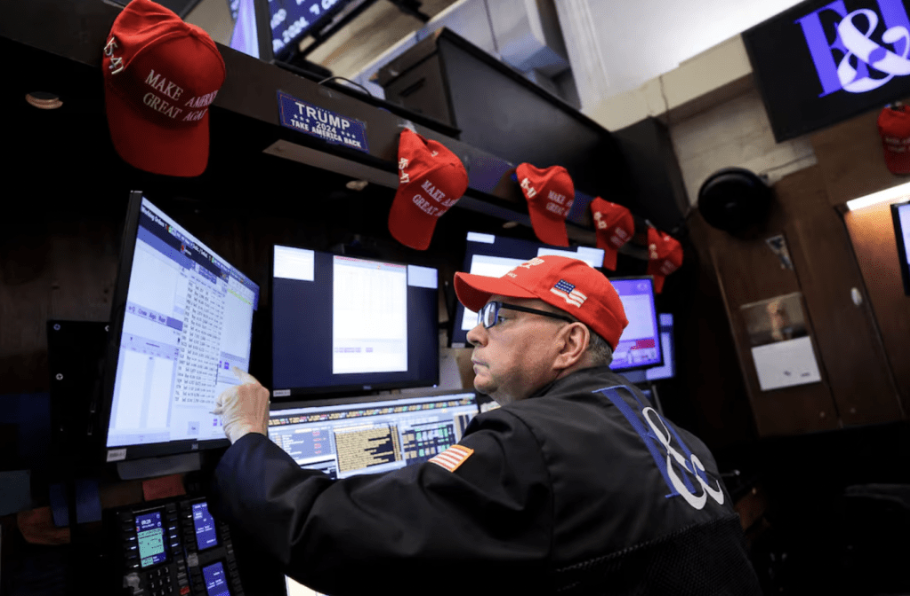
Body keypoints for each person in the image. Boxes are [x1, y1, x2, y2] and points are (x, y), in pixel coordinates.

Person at [209, 255, 762, 595]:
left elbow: (327, 533)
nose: (475, 333)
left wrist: (250, 438)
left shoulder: (529, 440)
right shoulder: (680, 439)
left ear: (569, 343)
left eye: (499, 316)